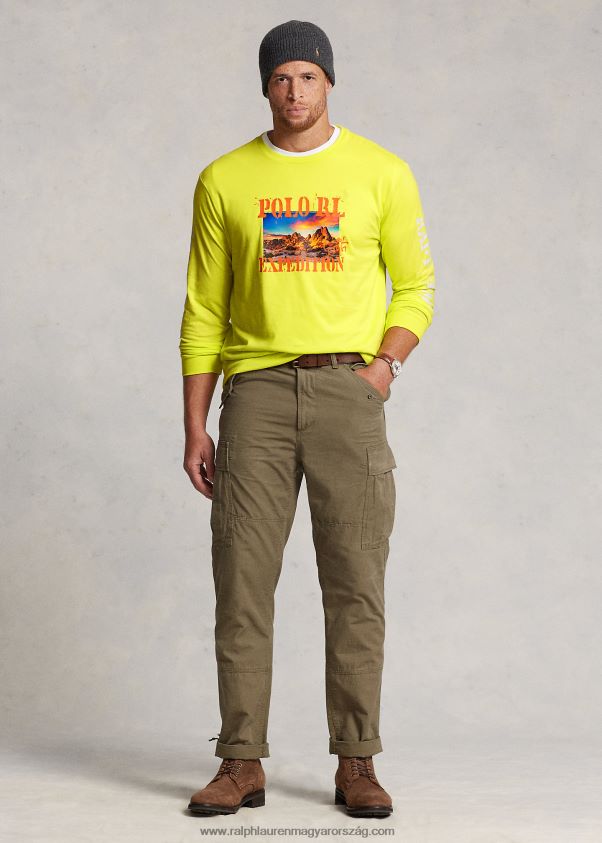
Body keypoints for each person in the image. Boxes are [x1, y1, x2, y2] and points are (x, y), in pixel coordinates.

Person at [180, 19, 435, 819]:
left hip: (347, 393)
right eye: (281, 77)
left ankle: (357, 759)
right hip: (255, 394)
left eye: (309, 76)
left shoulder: (381, 172)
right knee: (241, 582)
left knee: (355, 581)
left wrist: (383, 368)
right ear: (265, 86)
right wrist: (196, 424)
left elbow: (417, 286)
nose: (295, 91)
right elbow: (203, 310)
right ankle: (240, 760)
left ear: (330, 82)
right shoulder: (225, 179)